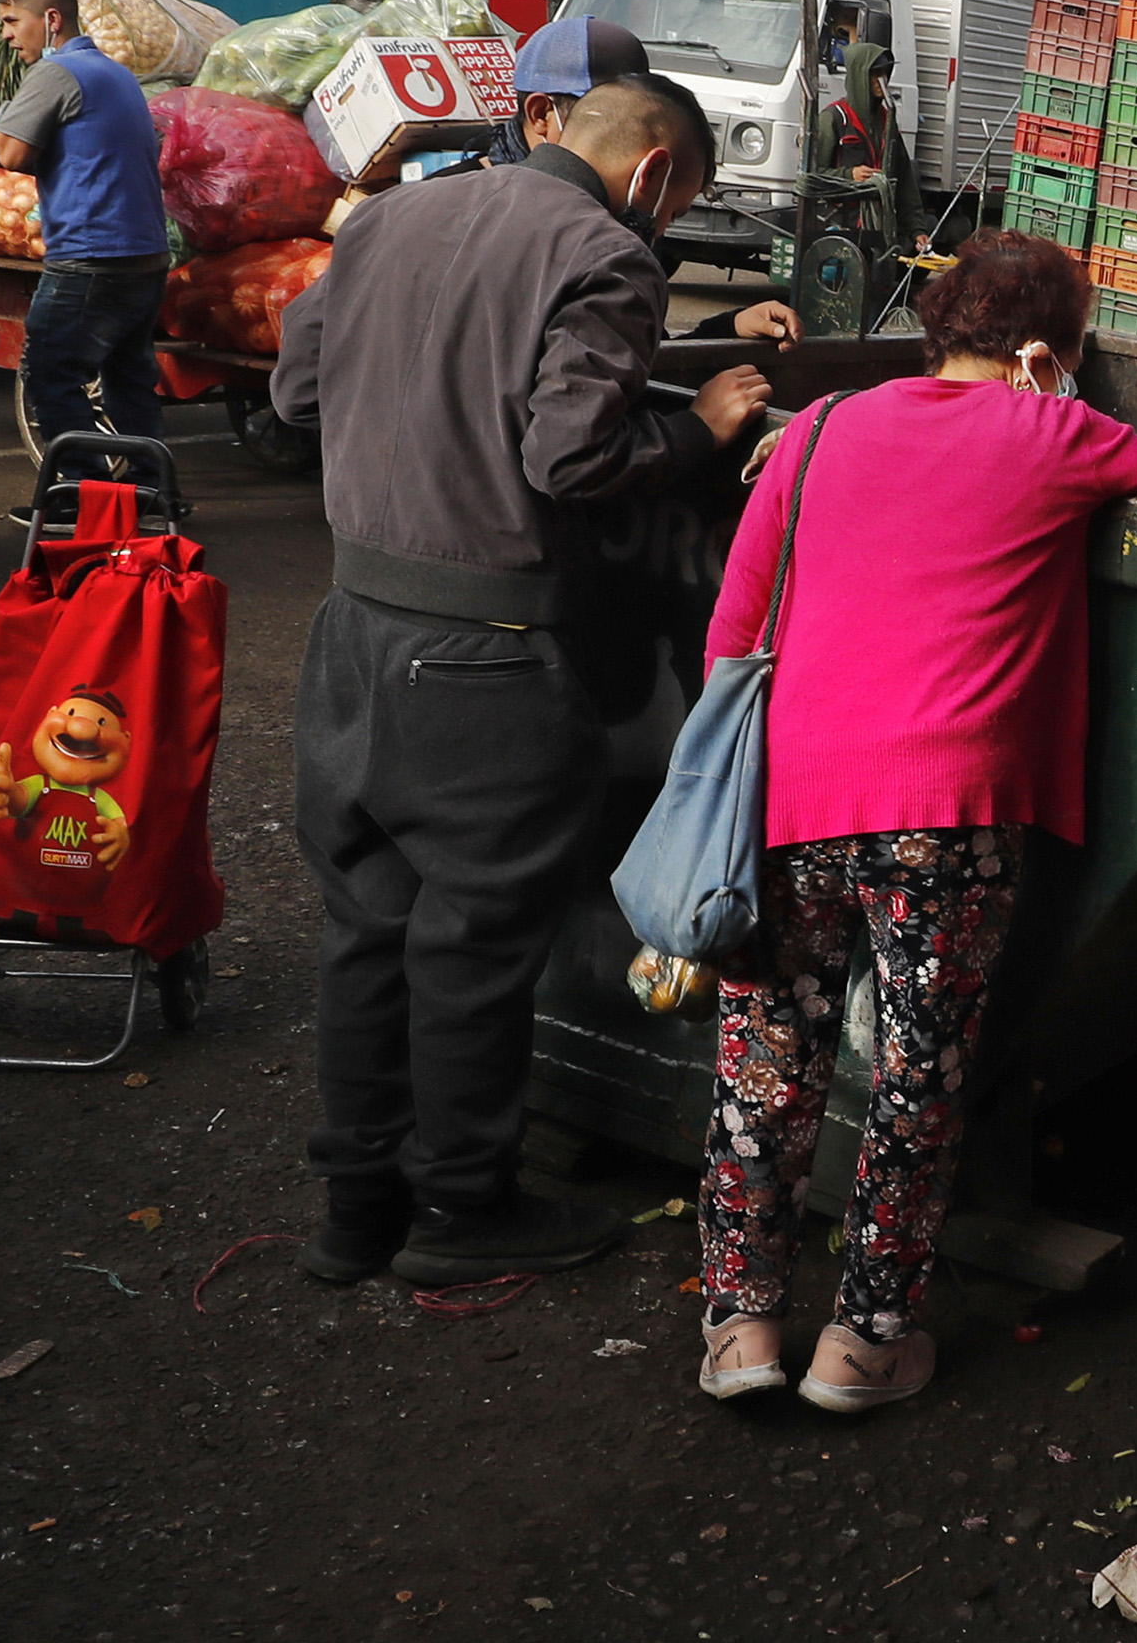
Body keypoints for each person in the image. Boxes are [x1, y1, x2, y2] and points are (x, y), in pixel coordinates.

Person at [691, 233, 1137, 1411]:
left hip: (794, 792)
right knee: (914, 1081)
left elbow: (735, 625)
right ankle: (866, 1344)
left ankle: (741, 1332)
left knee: (766, 1065)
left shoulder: (821, 428)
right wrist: (1064, 412)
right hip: (948, 815)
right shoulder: (1060, 434)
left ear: (938, 333)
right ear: (1047, 349)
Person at [272, 75, 777, 1287]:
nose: (663, 222)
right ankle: (461, 1209)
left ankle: (356, 1213)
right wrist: (700, 428)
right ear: (653, 173)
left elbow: (297, 392)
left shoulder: (390, 216)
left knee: (367, 929)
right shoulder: (607, 254)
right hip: (487, 657)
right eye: (677, 203)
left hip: (353, 634)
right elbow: (571, 456)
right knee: (473, 944)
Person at [472, 17, 801, 345]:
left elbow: (633, 356)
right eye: (603, 113)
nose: (624, 137)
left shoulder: (622, 229)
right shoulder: (480, 215)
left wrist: (724, 331)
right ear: (541, 114)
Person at [0, 0, 172, 487]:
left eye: (12, 22)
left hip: (92, 257)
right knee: (128, 381)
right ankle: (151, 491)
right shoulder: (116, 74)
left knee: (50, 373)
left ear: (51, 19)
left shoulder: (56, 72)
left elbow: (14, 154)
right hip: (145, 255)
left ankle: (81, 492)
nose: (7, 35)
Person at [813, 42, 922, 255]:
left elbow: (904, 180)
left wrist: (916, 230)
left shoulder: (888, 121)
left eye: (886, 72)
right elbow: (812, 175)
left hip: (881, 230)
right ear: (859, 76)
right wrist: (849, 175)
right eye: (875, 74)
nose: (883, 79)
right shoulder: (833, 119)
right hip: (840, 226)